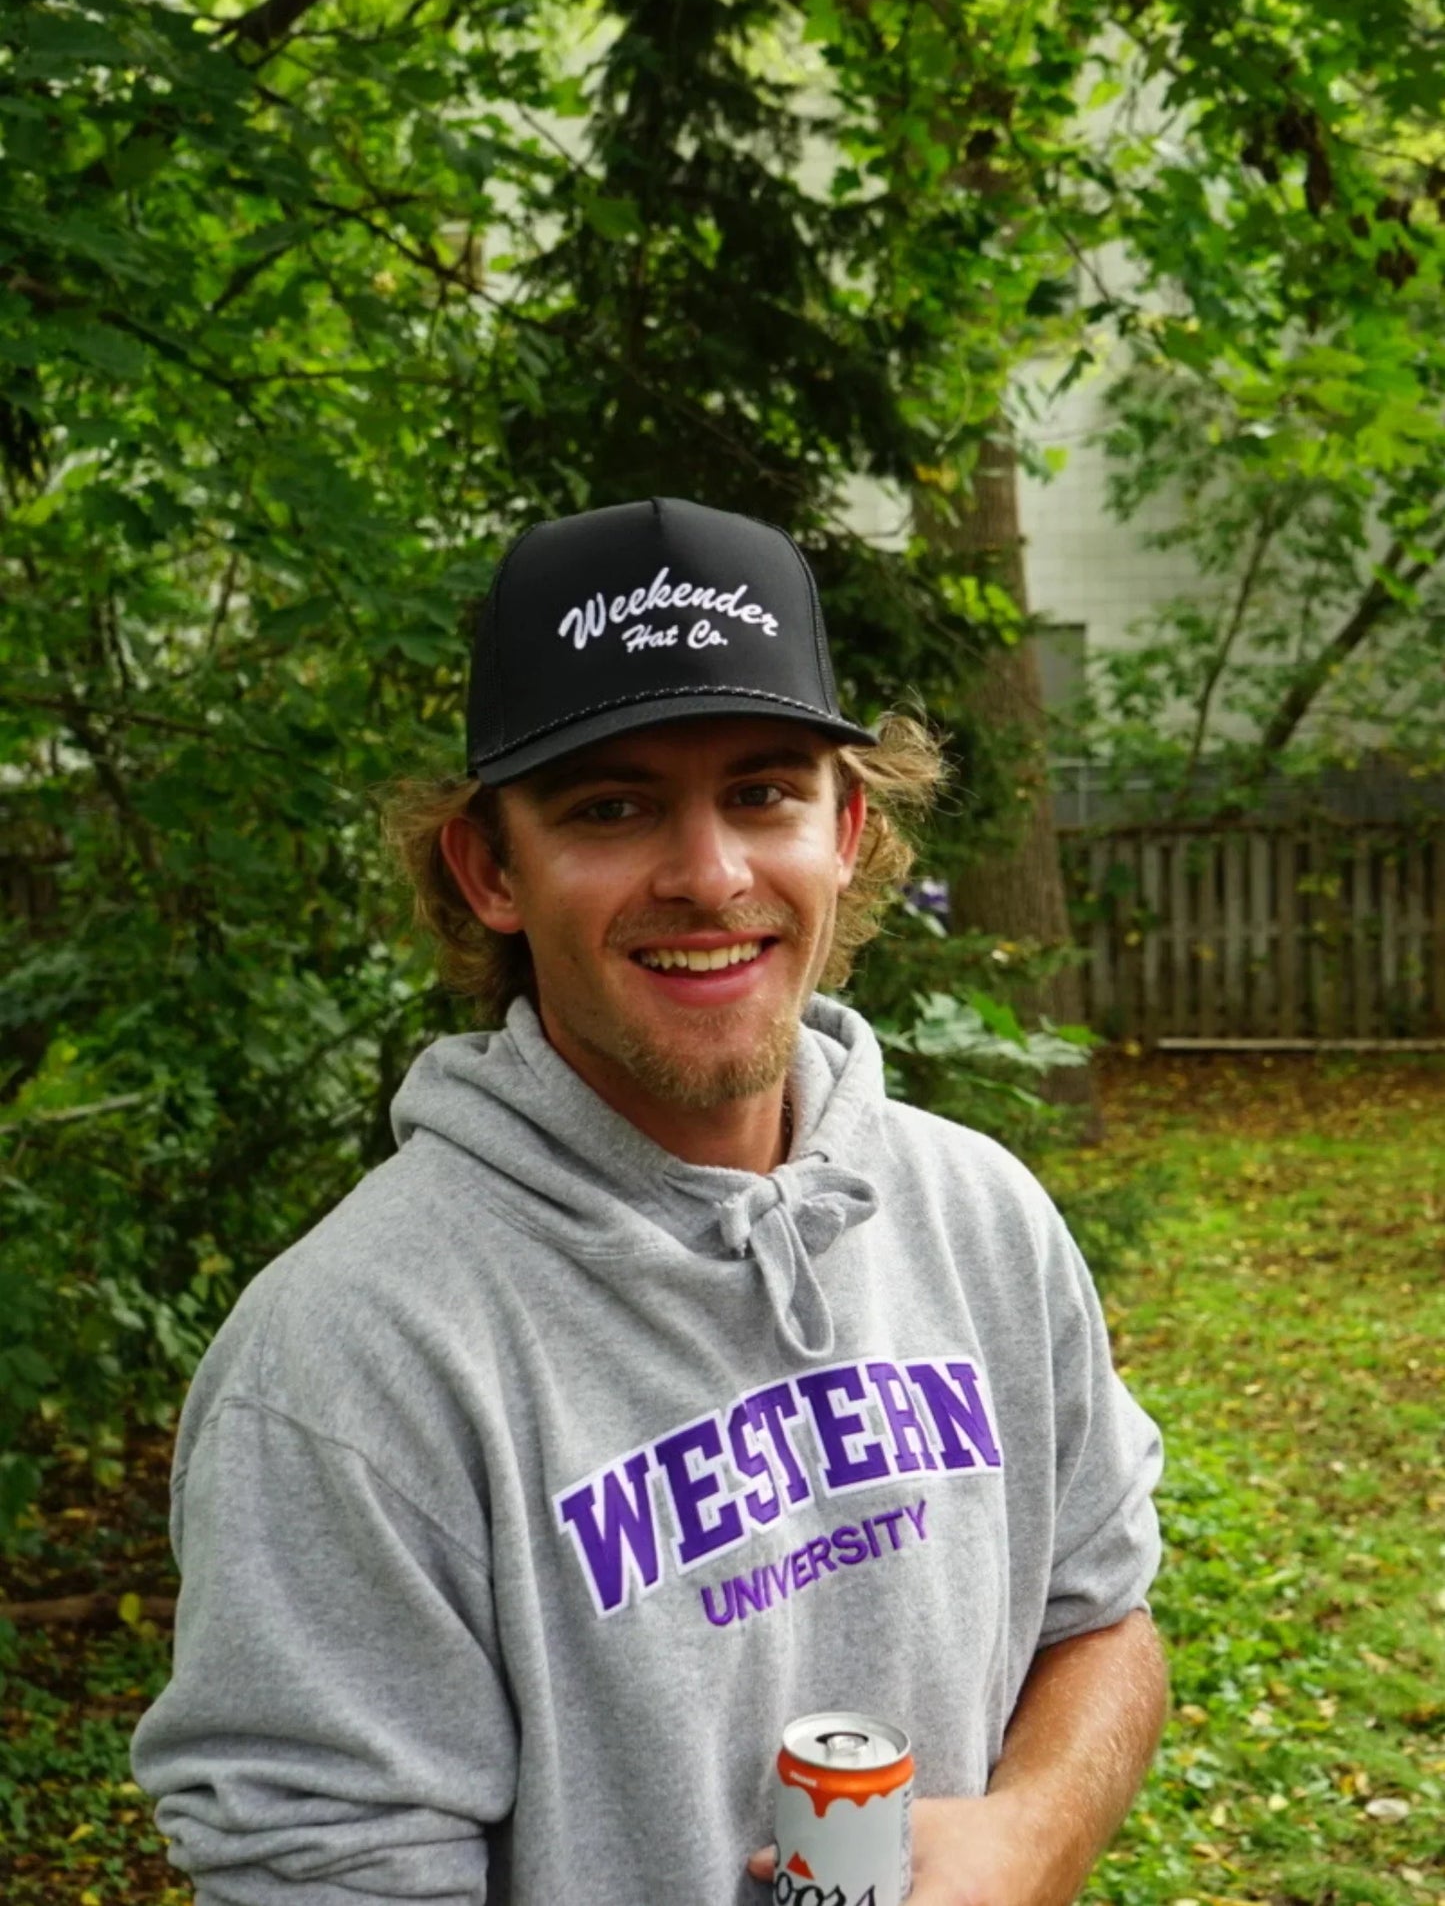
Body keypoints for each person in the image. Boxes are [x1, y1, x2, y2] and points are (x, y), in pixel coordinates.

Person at [131, 497, 1167, 1906]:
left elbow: (1099, 1623)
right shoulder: (348, 1363)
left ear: (847, 830)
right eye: (611, 806)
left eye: (762, 792)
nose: (707, 875)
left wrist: (1033, 1830)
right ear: (491, 867)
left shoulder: (978, 1218)